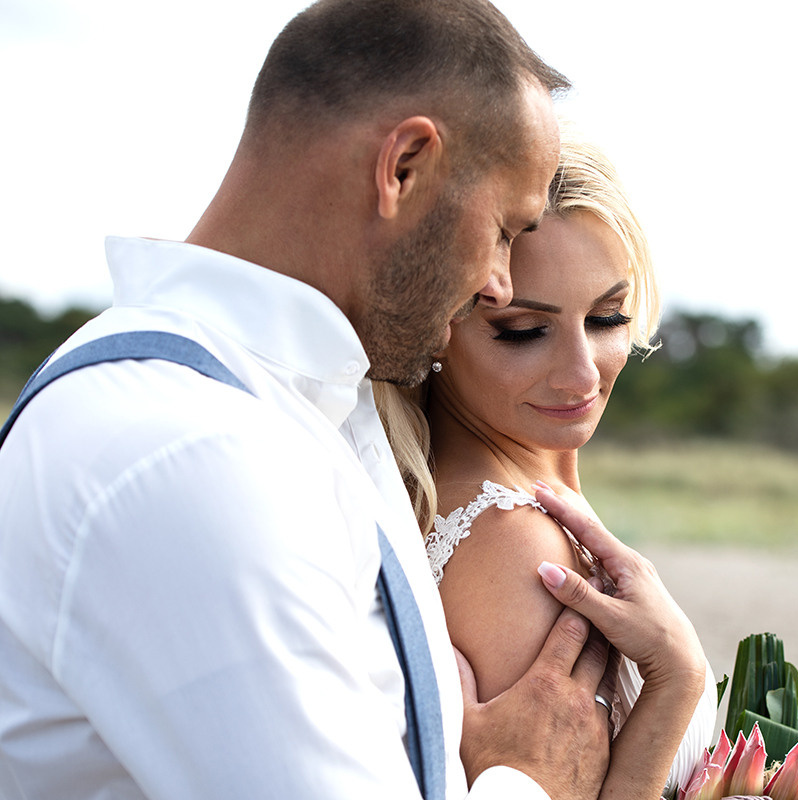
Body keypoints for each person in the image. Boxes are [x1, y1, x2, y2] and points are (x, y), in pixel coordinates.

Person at [0, 1, 705, 798]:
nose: (498, 282)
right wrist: (530, 784)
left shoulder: (304, 409)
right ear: (404, 166)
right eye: (505, 231)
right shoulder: (195, 455)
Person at [374, 129, 715, 800]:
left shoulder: (528, 508)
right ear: (436, 326)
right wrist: (677, 680)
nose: (581, 373)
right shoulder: (513, 545)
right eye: (524, 331)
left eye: (607, 317)